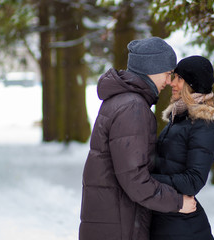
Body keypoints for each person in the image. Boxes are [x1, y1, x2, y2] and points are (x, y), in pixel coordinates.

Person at [79, 37, 197, 240]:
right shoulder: (133, 107)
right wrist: (178, 202)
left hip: (111, 220)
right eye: (168, 74)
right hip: (119, 226)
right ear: (151, 70)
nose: (169, 82)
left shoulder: (122, 100)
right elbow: (135, 180)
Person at [150, 55, 214, 240]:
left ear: (192, 84)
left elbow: (193, 181)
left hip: (183, 228)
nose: (171, 83)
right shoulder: (182, 116)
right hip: (168, 218)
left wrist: (146, 180)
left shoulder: (205, 124)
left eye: (179, 78)